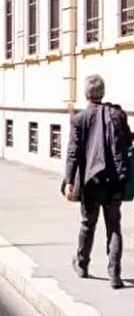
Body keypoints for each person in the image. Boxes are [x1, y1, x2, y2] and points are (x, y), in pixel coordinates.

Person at [64, 74, 129, 289]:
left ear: (86, 94)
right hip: (114, 182)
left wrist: (69, 181)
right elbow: (127, 141)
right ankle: (114, 275)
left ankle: (82, 265)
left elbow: (73, 153)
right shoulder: (117, 115)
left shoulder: (79, 119)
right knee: (114, 227)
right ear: (103, 93)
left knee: (87, 224)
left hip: (90, 181)